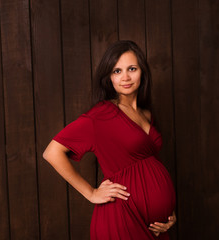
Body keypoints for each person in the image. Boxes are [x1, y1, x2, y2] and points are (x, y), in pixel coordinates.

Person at [43, 40, 176, 239]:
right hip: (122, 218)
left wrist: (168, 213)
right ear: (109, 78)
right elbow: (52, 152)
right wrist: (91, 192)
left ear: (143, 72)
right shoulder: (101, 115)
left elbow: (149, 166)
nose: (125, 77)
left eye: (132, 68)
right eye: (117, 71)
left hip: (153, 227)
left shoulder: (147, 114)